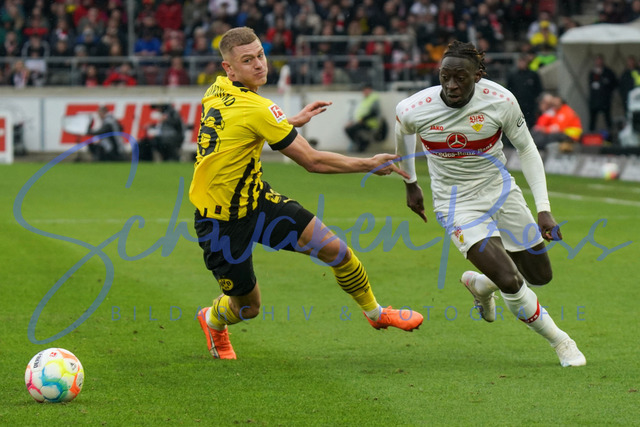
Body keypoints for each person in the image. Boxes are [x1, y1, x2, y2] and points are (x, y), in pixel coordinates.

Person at [190, 27, 424, 360]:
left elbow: (240, 125)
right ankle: (212, 319)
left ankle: (376, 313)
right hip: (220, 221)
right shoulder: (257, 108)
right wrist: (367, 164)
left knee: (336, 251)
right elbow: (312, 161)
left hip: (256, 201)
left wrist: (287, 122)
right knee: (248, 308)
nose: (259, 64)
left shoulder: (216, 89)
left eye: (260, 55)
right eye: (247, 60)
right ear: (229, 68)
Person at [395, 41, 585, 367]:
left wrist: (543, 208)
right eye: (445, 77)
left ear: (478, 75)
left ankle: (480, 284)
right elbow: (402, 138)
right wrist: (410, 183)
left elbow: (527, 149)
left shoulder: (501, 101)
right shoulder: (414, 108)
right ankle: (562, 342)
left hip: (501, 193)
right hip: (455, 204)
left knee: (540, 276)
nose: (451, 85)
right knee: (511, 281)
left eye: (460, 78)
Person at [344, 82, 388, 152]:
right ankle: (361, 143)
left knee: (349, 130)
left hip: (370, 123)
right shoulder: (366, 99)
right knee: (350, 129)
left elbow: (374, 112)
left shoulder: (374, 98)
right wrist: (353, 121)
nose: (364, 92)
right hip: (364, 122)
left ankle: (362, 143)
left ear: (370, 90)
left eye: (365, 89)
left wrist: (363, 119)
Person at [506, 54, 543, 129]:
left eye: (523, 62)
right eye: (520, 62)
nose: (522, 64)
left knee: (532, 123)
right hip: (517, 104)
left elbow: (538, 88)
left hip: (530, 104)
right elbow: (509, 89)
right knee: (517, 124)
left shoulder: (533, 75)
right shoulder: (513, 75)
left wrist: (536, 99)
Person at [588, 54, 618, 135]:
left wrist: (607, 89)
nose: (598, 62)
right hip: (594, 100)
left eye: (600, 60)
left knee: (607, 118)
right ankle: (591, 135)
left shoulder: (608, 72)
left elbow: (614, 83)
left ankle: (611, 135)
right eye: (597, 60)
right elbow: (591, 84)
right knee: (593, 119)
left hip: (605, 100)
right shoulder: (593, 72)